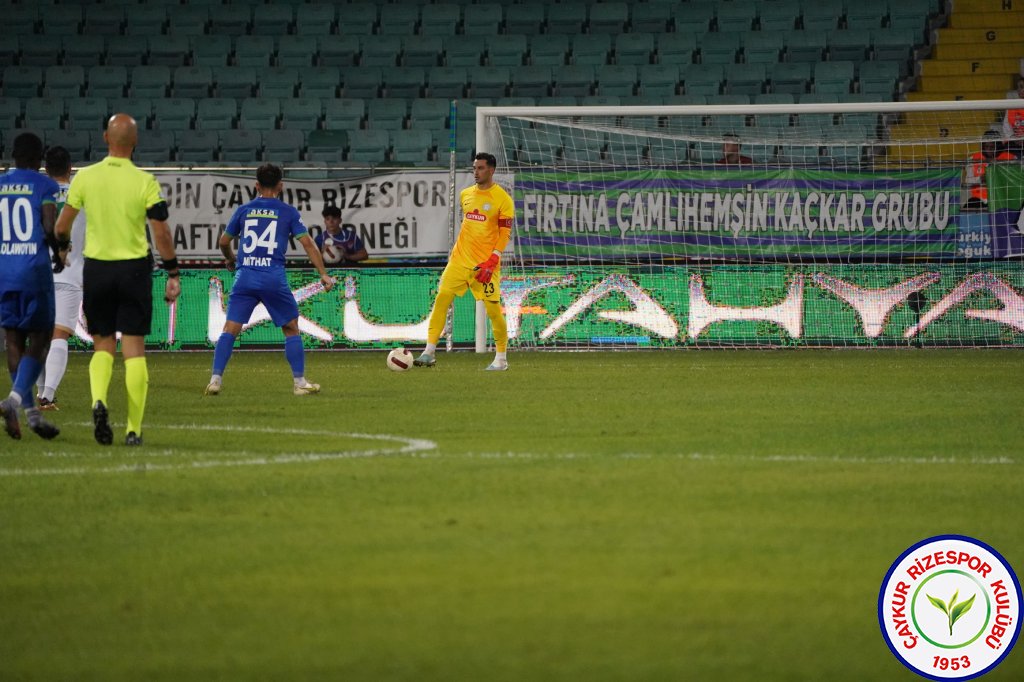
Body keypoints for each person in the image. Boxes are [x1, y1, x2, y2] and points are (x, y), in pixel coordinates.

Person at [54, 113, 181, 447]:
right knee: (134, 349)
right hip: (134, 269)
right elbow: (162, 233)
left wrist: (64, 249)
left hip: (96, 268)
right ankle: (134, 430)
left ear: (105, 139)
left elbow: (62, 226)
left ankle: (99, 401)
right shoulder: (145, 181)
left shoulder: (85, 178)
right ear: (135, 142)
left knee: (103, 345)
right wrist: (172, 271)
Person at [204, 163, 335, 397]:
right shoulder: (288, 212)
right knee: (291, 327)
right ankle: (299, 383)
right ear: (280, 186)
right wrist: (323, 273)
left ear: (256, 185)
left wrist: (231, 260)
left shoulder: (244, 210)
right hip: (272, 277)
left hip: (245, 276)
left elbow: (224, 242)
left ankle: (215, 380)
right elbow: (307, 243)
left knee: (230, 329)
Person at [414, 152, 513, 371]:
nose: (475, 172)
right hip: (459, 261)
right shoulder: (465, 194)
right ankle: (429, 351)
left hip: (485, 265)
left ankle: (501, 359)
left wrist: (493, 260)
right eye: (474, 168)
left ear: (491, 170)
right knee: (442, 298)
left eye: (480, 168)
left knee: (494, 310)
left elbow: (505, 233)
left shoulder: (503, 199)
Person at [0, 132, 61, 440]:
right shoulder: (45, 185)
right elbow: (49, 226)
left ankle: (32, 417)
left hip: (5, 271)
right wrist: (58, 250)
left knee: (13, 340)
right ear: (39, 158)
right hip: (33, 271)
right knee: (40, 340)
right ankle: (12, 401)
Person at [36, 146, 87, 411]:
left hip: (36, 273)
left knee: (39, 336)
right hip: (70, 272)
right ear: (71, 169)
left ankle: (40, 394)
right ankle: (47, 396)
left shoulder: (37, 195)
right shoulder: (81, 198)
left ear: (45, 169)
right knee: (59, 335)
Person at [962, 130, 1017, 211]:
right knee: (970, 204)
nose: (988, 150)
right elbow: (967, 180)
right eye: (986, 147)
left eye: (992, 147)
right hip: (979, 199)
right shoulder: (973, 159)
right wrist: (980, 179)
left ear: (998, 146)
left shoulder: (1010, 158)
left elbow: (1015, 180)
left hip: (1002, 198)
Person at [1003, 76, 1024, 154]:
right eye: (1020, 87)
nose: (1022, 90)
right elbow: (1007, 129)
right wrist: (1015, 139)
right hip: (1015, 143)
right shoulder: (1011, 107)